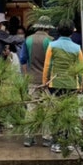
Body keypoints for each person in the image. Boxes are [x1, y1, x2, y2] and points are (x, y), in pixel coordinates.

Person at [42, 21, 83, 153]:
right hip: (72, 85)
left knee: (57, 113)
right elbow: (81, 69)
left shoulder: (52, 45)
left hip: (56, 84)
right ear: (72, 31)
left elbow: (47, 66)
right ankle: (69, 141)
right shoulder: (77, 48)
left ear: (58, 31)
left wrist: (45, 82)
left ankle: (57, 143)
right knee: (70, 113)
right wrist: (81, 85)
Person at [22, 16, 54, 147]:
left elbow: (23, 60)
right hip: (47, 81)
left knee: (31, 108)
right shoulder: (50, 41)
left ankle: (28, 137)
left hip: (32, 79)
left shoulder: (28, 40)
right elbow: (52, 62)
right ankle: (47, 138)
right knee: (47, 109)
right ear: (47, 28)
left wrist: (26, 76)